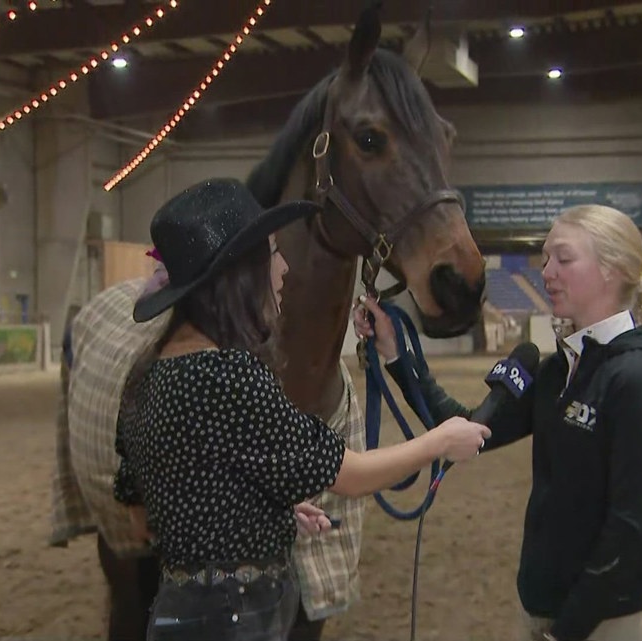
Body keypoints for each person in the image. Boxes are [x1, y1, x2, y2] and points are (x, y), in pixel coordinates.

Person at [112, 178, 491, 641]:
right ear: (241, 273)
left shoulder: (147, 372)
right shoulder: (229, 374)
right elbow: (350, 476)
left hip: (179, 610)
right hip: (238, 617)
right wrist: (439, 441)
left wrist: (256, 512)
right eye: (273, 254)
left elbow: (143, 513)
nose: (284, 269)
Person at [354, 204, 642, 641]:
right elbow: (469, 426)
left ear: (614, 269)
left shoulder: (640, 378)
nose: (547, 272)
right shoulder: (555, 369)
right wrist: (398, 353)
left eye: (563, 259)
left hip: (605, 622)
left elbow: (634, 534)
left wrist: (567, 631)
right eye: (544, 259)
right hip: (543, 608)